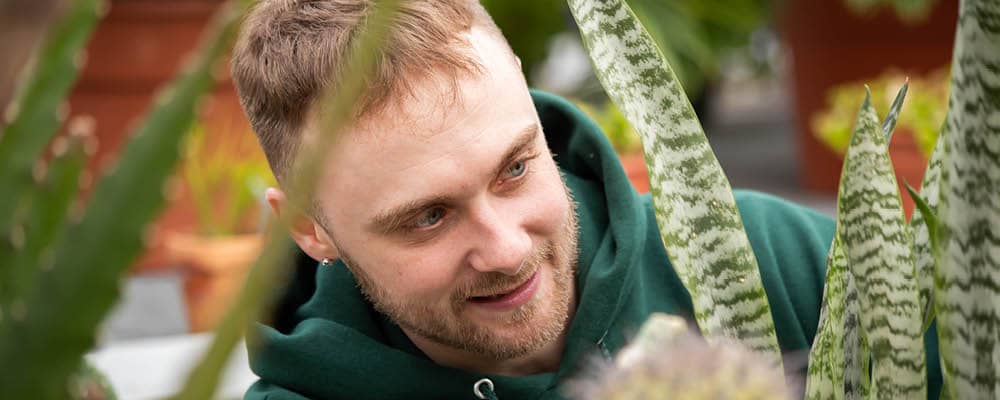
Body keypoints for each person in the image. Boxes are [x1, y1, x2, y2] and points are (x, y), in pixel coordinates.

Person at [230, 1, 940, 399]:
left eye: (515, 168)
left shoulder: (779, 261)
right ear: (309, 229)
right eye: (430, 217)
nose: (507, 249)